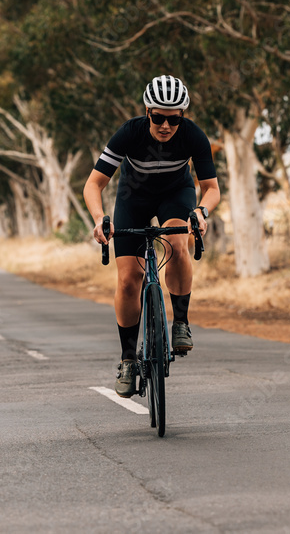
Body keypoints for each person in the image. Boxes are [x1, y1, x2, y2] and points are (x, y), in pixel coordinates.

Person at [83, 75, 220, 398]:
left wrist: (201, 212)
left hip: (176, 195)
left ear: (182, 117)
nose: (165, 126)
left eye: (173, 119)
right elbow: (94, 184)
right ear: (147, 112)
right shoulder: (129, 134)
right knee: (129, 279)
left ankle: (181, 322)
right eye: (158, 118)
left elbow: (211, 188)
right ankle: (128, 360)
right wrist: (99, 218)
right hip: (134, 199)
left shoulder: (192, 137)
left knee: (177, 243)